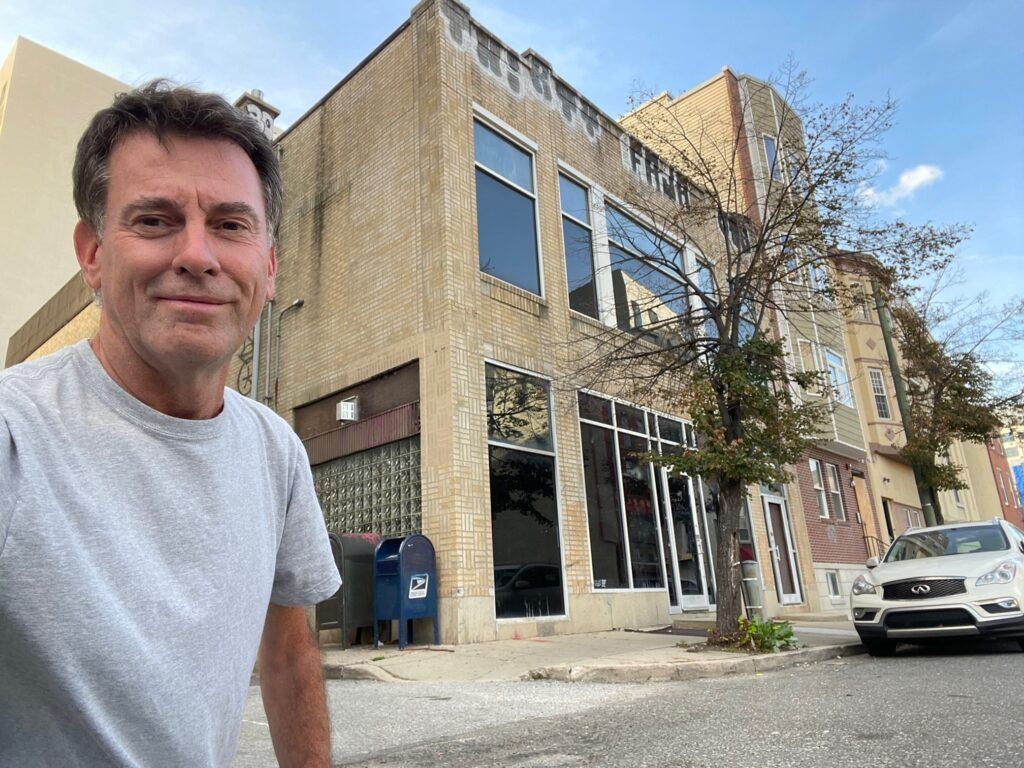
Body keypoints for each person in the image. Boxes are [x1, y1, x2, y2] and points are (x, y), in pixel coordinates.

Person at [0, 81, 341, 767]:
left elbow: (290, 651)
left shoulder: (276, 452)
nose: (197, 254)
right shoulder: (16, 436)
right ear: (93, 254)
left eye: (231, 224)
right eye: (154, 220)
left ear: (269, 268)